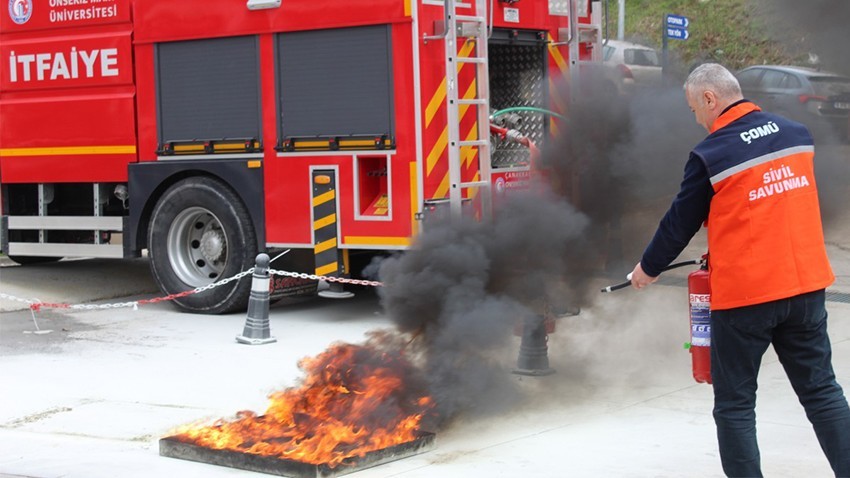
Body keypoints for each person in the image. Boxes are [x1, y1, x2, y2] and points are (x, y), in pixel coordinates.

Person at [629, 63, 850, 477]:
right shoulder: (797, 135)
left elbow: (680, 222)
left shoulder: (710, 155)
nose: (696, 117)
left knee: (735, 405)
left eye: (694, 107)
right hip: (805, 288)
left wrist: (648, 268)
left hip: (747, 297)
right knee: (822, 392)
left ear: (710, 99)